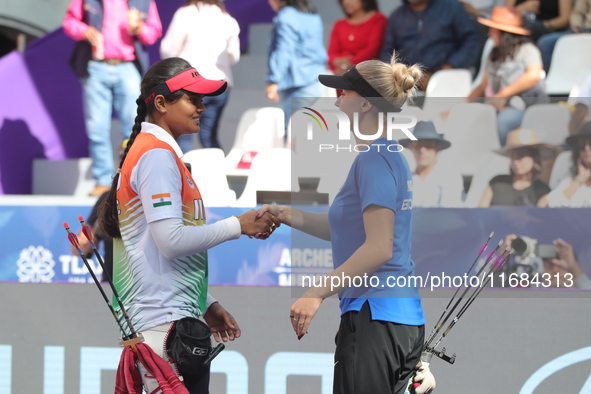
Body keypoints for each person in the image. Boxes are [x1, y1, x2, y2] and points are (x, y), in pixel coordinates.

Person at [97, 57, 280, 393]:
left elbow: (157, 249)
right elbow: (171, 241)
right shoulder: (155, 155)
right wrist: (238, 225)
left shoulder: (156, 151)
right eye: (192, 99)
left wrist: (205, 302)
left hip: (165, 323)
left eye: (202, 100)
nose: (201, 108)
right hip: (163, 328)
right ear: (162, 103)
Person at [257, 57, 436, 393]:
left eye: (344, 91)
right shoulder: (387, 156)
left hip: (376, 318)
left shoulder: (373, 159)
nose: (337, 100)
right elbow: (342, 228)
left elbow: (379, 247)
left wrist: (315, 293)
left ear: (365, 103)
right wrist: (283, 214)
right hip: (397, 319)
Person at [63, 0, 162, 196]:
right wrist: (84, 30)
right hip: (96, 66)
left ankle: (133, 179)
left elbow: (154, 32)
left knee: (135, 126)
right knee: (97, 128)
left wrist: (139, 29)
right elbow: (69, 22)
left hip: (128, 67)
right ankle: (102, 181)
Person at [160, 0, 240, 152]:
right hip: (219, 84)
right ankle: (217, 174)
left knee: (183, 134)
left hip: (190, 83)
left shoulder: (185, 14)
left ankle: (184, 175)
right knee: (209, 136)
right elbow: (234, 56)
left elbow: (168, 50)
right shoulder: (228, 19)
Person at [469, 6, 547, 146]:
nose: (489, 33)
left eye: (493, 30)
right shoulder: (494, 54)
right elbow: (483, 85)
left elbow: (534, 75)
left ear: (505, 33)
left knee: (503, 122)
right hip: (498, 107)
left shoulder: (527, 50)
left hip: (525, 107)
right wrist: (460, 105)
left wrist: (503, 94)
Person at [379, 0, 480, 90]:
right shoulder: (397, 16)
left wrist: (450, 66)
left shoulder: (451, 7)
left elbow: (471, 40)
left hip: (445, 76)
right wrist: (398, 76)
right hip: (406, 81)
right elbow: (387, 52)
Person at [265, 0, 328, 134]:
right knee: (310, 134)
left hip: (299, 85)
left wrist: (273, 80)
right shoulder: (312, 15)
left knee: (293, 135)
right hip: (316, 83)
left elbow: (283, 50)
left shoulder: (286, 16)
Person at [479, 128, 555, 206]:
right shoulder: (497, 182)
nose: (515, 161)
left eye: (521, 155)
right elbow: (481, 212)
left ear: (534, 158)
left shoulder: (542, 190)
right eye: (512, 156)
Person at [399, 121, 464, 207]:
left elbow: (448, 214)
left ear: (438, 148)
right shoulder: (404, 179)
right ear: (411, 147)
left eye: (429, 144)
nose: (422, 150)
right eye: (417, 144)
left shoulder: (450, 176)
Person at [327, 0, 387, 77]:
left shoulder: (378, 20)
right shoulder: (339, 24)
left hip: (365, 73)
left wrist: (349, 65)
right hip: (339, 72)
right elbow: (331, 53)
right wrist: (339, 63)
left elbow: (373, 49)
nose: (346, 2)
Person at [545, 122, 591, 207]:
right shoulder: (571, 177)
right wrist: (580, 179)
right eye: (582, 144)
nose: (586, 148)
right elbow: (551, 203)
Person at [536, 0, 590, 71]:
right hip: (582, 30)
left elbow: (564, 19)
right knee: (545, 43)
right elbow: (577, 13)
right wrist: (577, 26)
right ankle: (550, 77)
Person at [505, 0, 572, 42]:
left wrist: (545, 24)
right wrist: (522, 8)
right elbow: (504, 13)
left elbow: (565, 19)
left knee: (531, 28)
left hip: (546, 27)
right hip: (517, 23)